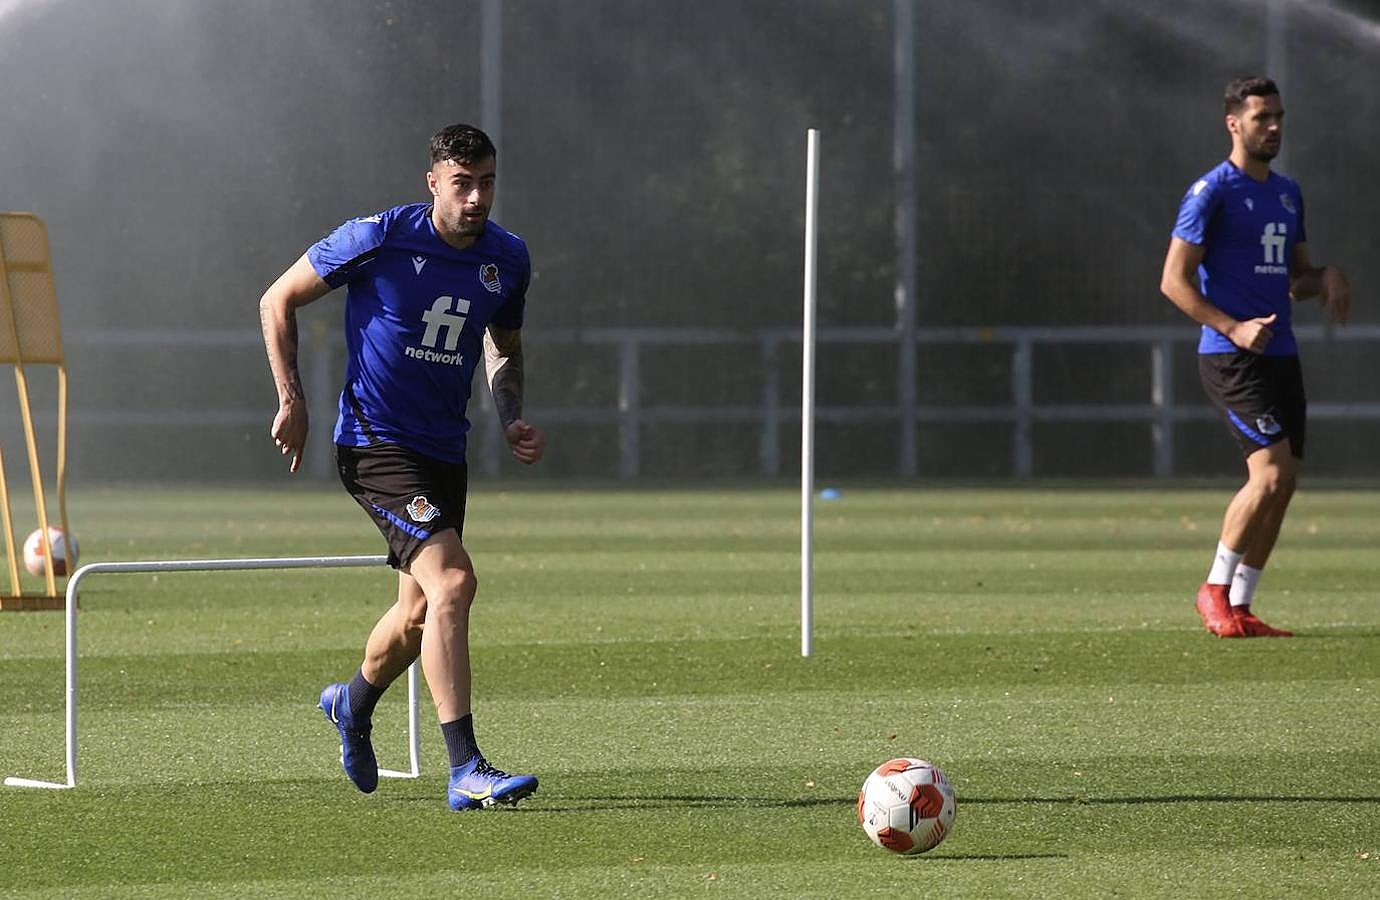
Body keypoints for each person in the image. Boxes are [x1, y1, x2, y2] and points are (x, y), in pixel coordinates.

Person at [259, 123, 546, 808]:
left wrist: (509, 417)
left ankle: (352, 704)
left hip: (445, 451)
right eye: (462, 184)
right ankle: (465, 767)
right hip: (375, 447)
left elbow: (502, 344)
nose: (477, 198)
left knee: (417, 617)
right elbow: (278, 299)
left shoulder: (508, 258)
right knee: (453, 582)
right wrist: (291, 398)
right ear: (433, 184)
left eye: (487, 183)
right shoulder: (377, 236)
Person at [1160, 77, 1349, 638]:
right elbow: (1173, 281)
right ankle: (1213, 589)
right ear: (1233, 124)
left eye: (1279, 117)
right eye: (1262, 117)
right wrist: (1232, 327)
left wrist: (1328, 277)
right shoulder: (1210, 192)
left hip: (1280, 353)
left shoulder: (1288, 192)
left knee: (1285, 480)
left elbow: (1296, 281)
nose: (1274, 127)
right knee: (1267, 474)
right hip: (1230, 356)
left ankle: (1241, 603)